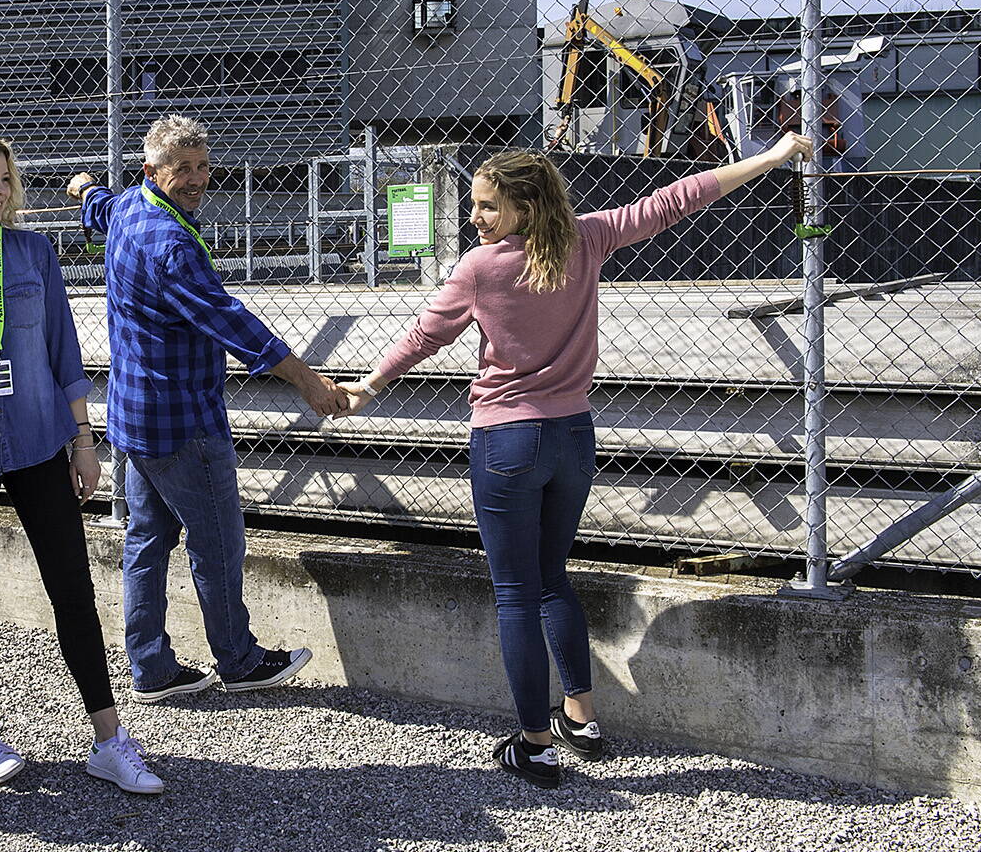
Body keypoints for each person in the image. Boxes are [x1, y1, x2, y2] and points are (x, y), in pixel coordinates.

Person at [333, 131, 814, 789]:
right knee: (551, 576)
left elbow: (425, 335)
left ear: (525, 208)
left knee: (515, 592)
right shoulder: (587, 239)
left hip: (507, 442)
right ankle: (581, 719)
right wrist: (772, 158)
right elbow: (676, 200)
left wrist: (370, 384)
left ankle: (534, 746)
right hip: (572, 437)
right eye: (475, 206)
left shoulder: (481, 269)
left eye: (487, 208)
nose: (474, 218)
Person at [0, 129, 164, 795]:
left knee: (72, 590)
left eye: (5, 178)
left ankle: (109, 739)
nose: (0, 191)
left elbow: (62, 348)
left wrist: (84, 440)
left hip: (36, 442)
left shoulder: (31, 252)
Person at [69, 114, 342, 706]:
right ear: (152, 171)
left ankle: (150, 666)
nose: (196, 179)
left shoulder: (129, 209)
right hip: (181, 419)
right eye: (182, 169)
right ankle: (239, 660)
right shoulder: (170, 244)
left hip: (134, 416)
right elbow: (231, 322)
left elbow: (98, 205)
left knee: (145, 538)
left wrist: (82, 187)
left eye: (201, 165)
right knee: (217, 539)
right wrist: (307, 379)